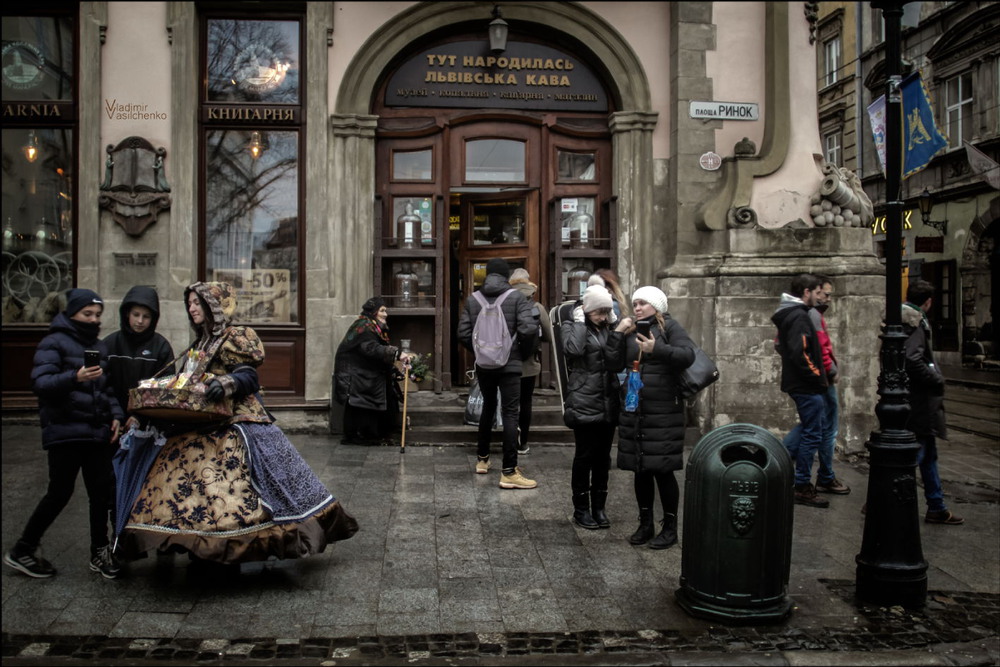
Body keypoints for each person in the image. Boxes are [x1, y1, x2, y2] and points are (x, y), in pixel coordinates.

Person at [117, 282, 359, 565]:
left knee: (234, 490)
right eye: (190, 304)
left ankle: (231, 544)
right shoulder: (200, 343)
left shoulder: (235, 337)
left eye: (198, 303)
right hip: (200, 421)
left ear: (214, 307)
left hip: (235, 420)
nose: (192, 308)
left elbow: (249, 376)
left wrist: (227, 382)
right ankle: (194, 542)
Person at [4, 288, 124, 579]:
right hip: (65, 432)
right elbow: (41, 384)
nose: (93, 319)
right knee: (59, 493)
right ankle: (23, 549)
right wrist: (75, 376)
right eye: (87, 314)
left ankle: (99, 551)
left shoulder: (97, 346)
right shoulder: (53, 342)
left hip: (96, 433)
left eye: (97, 315)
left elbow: (106, 389)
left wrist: (117, 416)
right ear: (72, 314)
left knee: (101, 493)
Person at [608, 285, 695, 549]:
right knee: (640, 469)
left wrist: (657, 348)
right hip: (636, 410)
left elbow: (687, 354)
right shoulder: (631, 330)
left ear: (657, 306)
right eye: (635, 304)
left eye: (643, 303)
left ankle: (669, 528)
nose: (637, 308)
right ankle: (645, 524)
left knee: (663, 470)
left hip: (663, 411)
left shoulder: (669, 327)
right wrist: (617, 333)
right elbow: (613, 363)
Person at [457, 258, 539, 488]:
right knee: (511, 413)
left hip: (484, 366)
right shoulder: (516, 298)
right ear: (506, 276)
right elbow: (529, 329)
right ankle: (509, 472)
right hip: (510, 365)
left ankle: (482, 460)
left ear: (487, 275)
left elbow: (463, 332)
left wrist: (480, 352)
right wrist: (520, 354)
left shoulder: (473, 299)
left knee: (488, 408)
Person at [902, 279, 964, 525]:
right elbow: (913, 359)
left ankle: (937, 505)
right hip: (920, 401)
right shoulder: (915, 323)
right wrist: (936, 379)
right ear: (928, 302)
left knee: (927, 455)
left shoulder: (905, 319)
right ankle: (882, 497)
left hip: (915, 400)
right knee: (917, 454)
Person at [781, 275, 850, 495]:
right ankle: (806, 480)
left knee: (814, 426)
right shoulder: (805, 315)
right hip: (812, 382)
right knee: (817, 430)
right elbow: (807, 351)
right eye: (821, 292)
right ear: (809, 292)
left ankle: (781, 459)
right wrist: (822, 374)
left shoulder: (801, 314)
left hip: (810, 382)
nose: (825, 298)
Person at [562, 285, 620, 529]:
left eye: (607, 311)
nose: (604, 317)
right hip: (584, 399)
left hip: (607, 400)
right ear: (587, 310)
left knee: (603, 458)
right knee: (584, 456)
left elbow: (617, 357)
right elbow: (573, 350)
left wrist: (616, 328)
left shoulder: (609, 328)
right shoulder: (572, 326)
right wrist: (578, 322)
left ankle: (599, 507)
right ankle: (581, 509)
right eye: (599, 312)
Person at [772, 273, 829, 508]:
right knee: (813, 433)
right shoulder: (798, 317)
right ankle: (802, 484)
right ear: (806, 292)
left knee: (809, 427)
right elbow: (800, 351)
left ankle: (777, 463)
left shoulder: (795, 315)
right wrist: (816, 375)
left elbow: (781, 346)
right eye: (817, 292)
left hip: (802, 383)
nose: (819, 297)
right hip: (806, 384)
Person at [334, 297, 413, 446]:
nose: (386, 314)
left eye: (386, 310)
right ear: (374, 312)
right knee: (361, 406)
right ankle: (359, 436)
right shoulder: (364, 327)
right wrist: (397, 354)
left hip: (363, 374)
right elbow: (371, 349)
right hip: (355, 376)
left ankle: (372, 434)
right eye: (382, 311)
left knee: (372, 402)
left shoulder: (372, 326)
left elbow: (376, 351)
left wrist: (394, 369)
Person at [103, 285, 176, 420]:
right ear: (127, 313)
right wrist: (114, 415)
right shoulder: (110, 344)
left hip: (148, 422)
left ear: (153, 318)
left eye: (146, 316)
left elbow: (166, 387)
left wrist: (141, 416)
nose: (140, 321)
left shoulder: (161, 347)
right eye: (136, 315)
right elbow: (102, 385)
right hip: (111, 420)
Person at [508, 268, 551, 456]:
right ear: (528, 283)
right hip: (529, 365)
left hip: (507, 363)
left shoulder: (504, 303)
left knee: (509, 403)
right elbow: (549, 336)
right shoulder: (537, 307)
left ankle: (508, 439)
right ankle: (522, 442)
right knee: (525, 402)